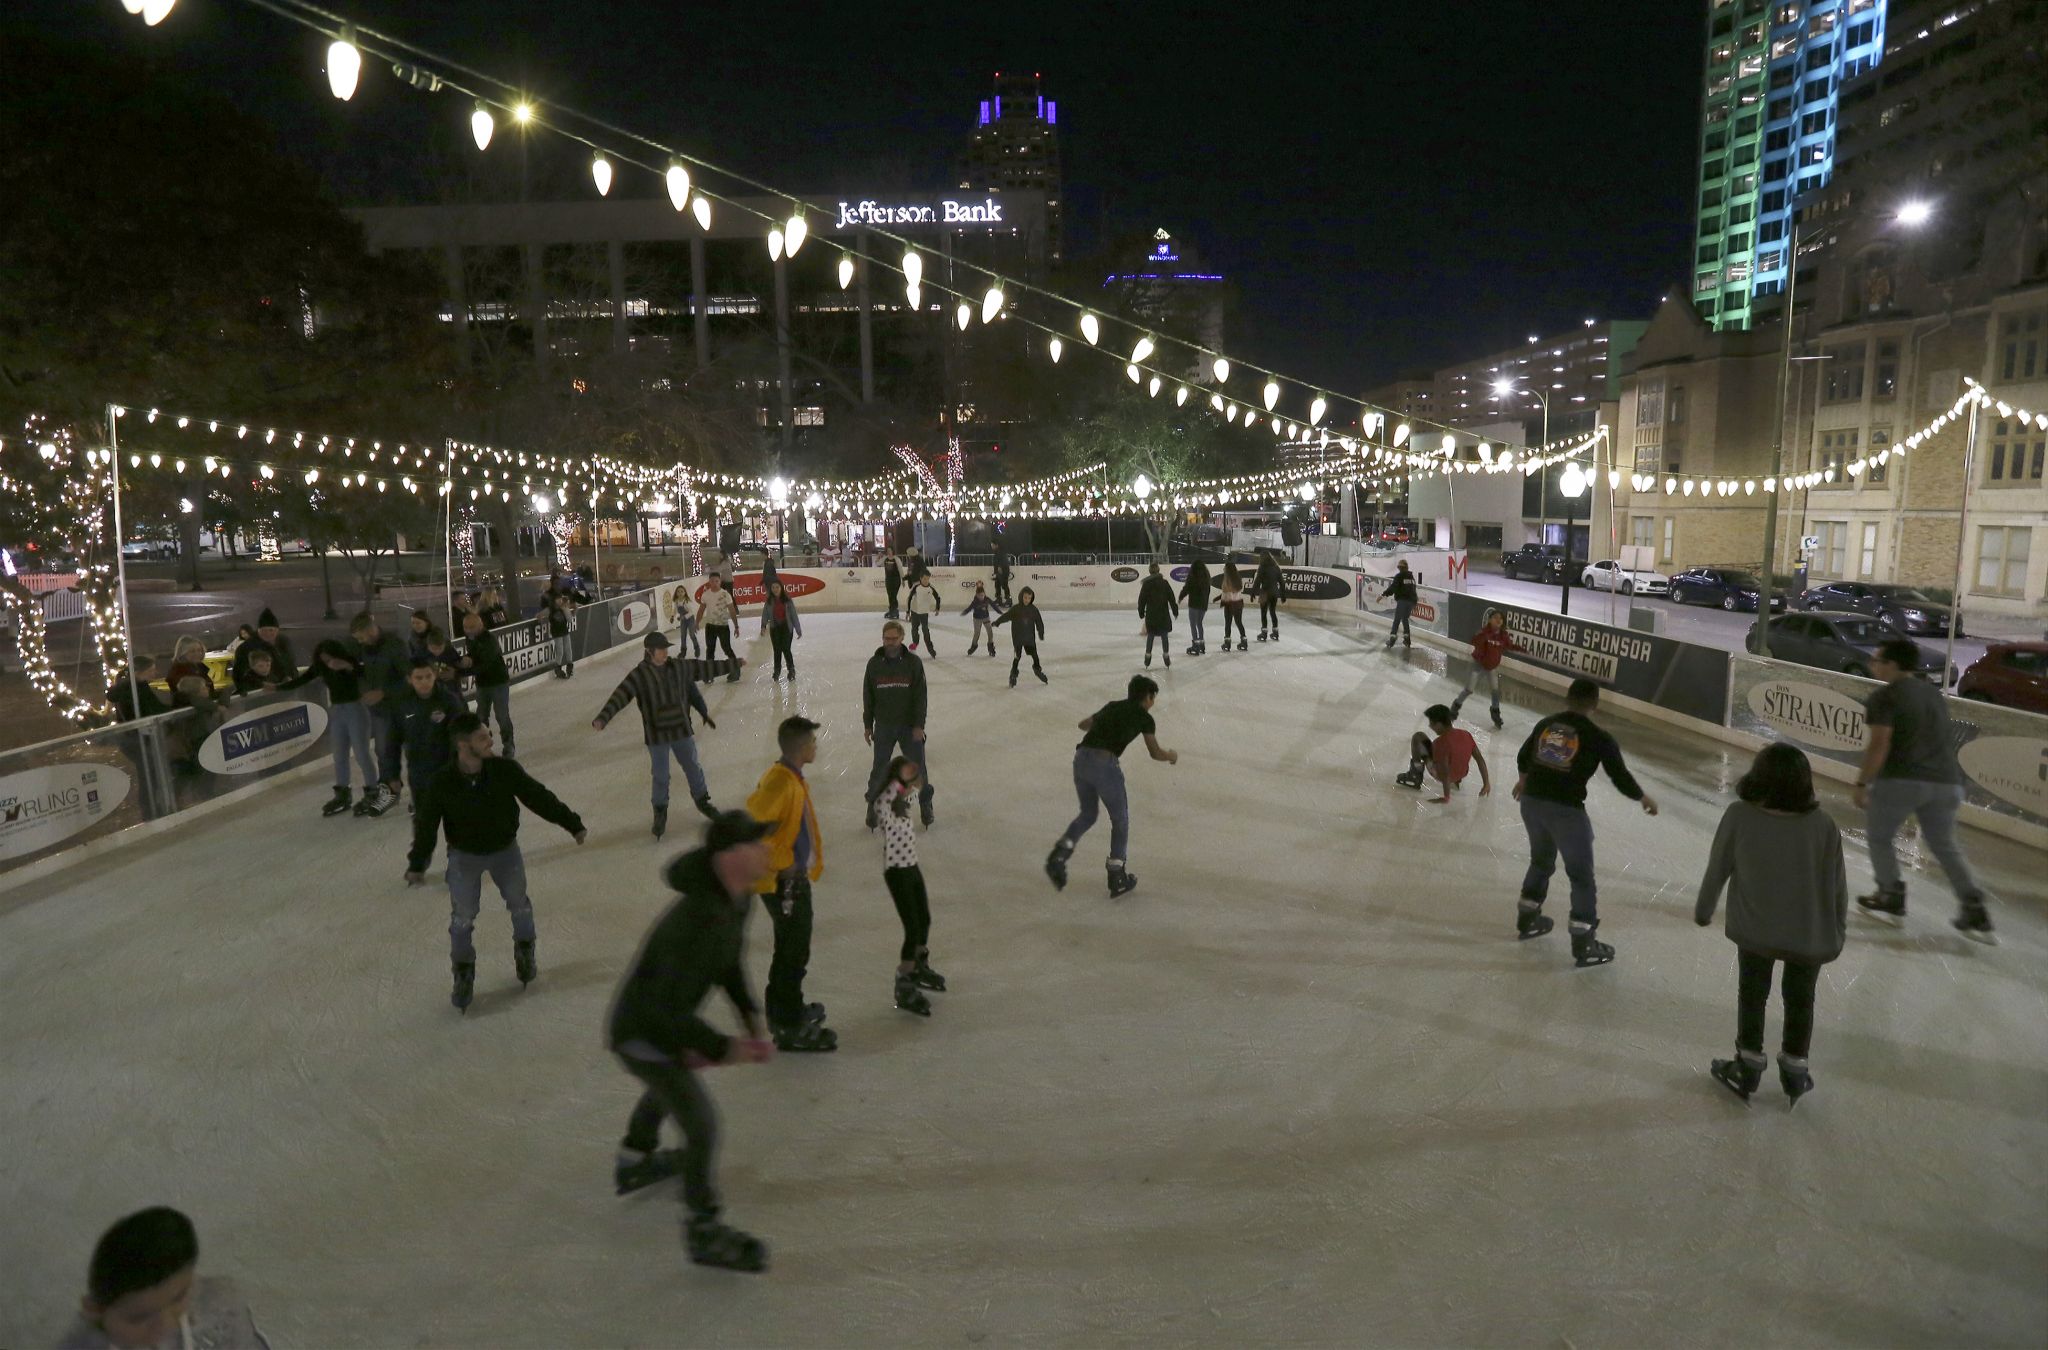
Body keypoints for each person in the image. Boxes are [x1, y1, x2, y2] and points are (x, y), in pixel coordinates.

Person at [606, 810, 777, 1272]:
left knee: (671, 1083)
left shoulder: (738, 900)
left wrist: (748, 1015)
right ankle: (703, 1229)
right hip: (640, 1031)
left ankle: (634, 1159)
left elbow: (728, 961)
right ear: (729, 857)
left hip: (665, 1022)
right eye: (757, 844)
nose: (768, 851)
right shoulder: (694, 921)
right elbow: (664, 1015)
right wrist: (724, 1047)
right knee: (701, 1125)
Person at [1695, 744, 1848, 1106]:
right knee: (1800, 1000)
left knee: (1752, 995)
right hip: (1807, 936)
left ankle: (1747, 1066)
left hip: (1755, 932)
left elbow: (1717, 867)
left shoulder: (1739, 816)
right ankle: (1795, 1072)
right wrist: (1837, 931)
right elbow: (1837, 886)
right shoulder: (1823, 825)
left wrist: (1704, 909)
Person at [406, 713, 586, 1011]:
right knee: (462, 919)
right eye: (483, 737)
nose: (491, 740)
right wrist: (417, 863)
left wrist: (571, 823)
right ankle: (463, 972)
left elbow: (537, 797)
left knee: (520, 905)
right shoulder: (442, 782)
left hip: (505, 851)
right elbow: (427, 826)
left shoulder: (504, 770)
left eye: (489, 734)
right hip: (464, 857)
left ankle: (525, 951)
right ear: (464, 745)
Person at [1853, 636, 1994, 940]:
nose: (1872, 664)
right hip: (1946, 783)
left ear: (1890, 665)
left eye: (1876, 659)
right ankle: (1973, 905)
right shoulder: (1933, 695)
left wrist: (1863, 783)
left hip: (1902, 780)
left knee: (1879, 837)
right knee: (1944, 845)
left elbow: (1879, 744)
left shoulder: (1884, 698)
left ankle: (1890, 893)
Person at [1512, 678, 1659, 967]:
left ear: (1567, 698)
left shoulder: (1547, 724)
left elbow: (1523, 755)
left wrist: (1525, 780)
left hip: (1532, 804)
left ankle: (1527, 918)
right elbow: (1619, 775)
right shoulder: (1598, 737)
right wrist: (1642, 797)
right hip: (1566, 811)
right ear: (1595, 704)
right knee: (1580, 875)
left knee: (1540, 860)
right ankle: (1584, 940)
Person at [57, 1206, 270, 1350]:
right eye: (139, 1318)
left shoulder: (221, 1308)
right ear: (94, 1311)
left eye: (179, 1298)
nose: (167, 1325)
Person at [745, 716, 836, 1052]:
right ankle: (787, 1026)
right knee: (792, 951)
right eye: (812, 741)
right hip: (785, 884)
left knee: (794, 948)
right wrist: (780, 867)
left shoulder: (789, 777)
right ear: (800, 748)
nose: (816, 746)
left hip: (791, 880)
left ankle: (788, 1010)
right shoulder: (779, 783)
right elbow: (753, 825)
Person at [593, 631, 739, 839]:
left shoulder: (678, 667)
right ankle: (660, 811)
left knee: (692, 766)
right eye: (661, 650)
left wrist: (732, 664)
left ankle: (702, 801)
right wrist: (603, 718)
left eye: (665, 649)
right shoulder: (639, 675)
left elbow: (704, 667)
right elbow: (620, 695)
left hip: (681, 729)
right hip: (657, 735)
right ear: (649, 652)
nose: (664, 653)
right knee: (661, 776)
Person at [1044, 674, 1179, 898]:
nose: (1152, 703)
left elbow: (1083, 724)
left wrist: (1105, 724)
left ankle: (1060, 854)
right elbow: (1155, 753)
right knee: (1120, 819)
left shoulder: (1113, 706)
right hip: (1104, 764)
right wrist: (1171, 755)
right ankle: (1116, 876)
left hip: (1081, 758)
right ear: (1146, 697)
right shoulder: (1144, 717)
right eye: (1152, 698)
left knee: (1087, 814)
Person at [280, 638, 380, 818]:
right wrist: (277, 688)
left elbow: (366, 673)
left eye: (329, 659)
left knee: (361, 753)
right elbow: (302, 680)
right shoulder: (321, 666)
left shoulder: (350, 662)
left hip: (355, 708)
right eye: (324, 660)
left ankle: (373, 791)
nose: (328, 663)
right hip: (337, 711)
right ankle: (342, 793)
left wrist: (348, 667)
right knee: (339, 754)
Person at [877, 754, 945, 1017]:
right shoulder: (885, 806)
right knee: (912, 928)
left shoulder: (905, 802)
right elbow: (885, 798)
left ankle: (918, 966)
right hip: (897, 872)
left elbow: (919, 789)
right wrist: (900, 779)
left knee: (924, 919)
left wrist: (918, 781)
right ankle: (903, 981)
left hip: (912, 866)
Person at [862, 620, 934, 829]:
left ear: (902, 638)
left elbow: (921, 697)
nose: (890, 643)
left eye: (894, 639)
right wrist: (868, 725)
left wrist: (919, 725)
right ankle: (872, 807)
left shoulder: (913, 663)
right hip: (883, 726)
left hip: (909, 726)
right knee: (879, 770)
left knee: (918, 770)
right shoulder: (874, 664)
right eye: (887, 639)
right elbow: (868, 696)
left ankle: (926, 804)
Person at [378, 658, 465, 816]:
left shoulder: (449, 701)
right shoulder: (402, 704)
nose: (424, 681)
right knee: (424, 819)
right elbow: (392, 742)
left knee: (455, 817)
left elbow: (463, 734)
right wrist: (392, 775)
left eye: (428, 676)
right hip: (418, 771)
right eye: (419, 678)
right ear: (409, 679)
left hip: (448, 768)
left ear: (435, 675)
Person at [351, 612, 411, 787]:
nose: (360, 642)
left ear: (370, 631)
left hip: (402, 708)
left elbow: (409, 678)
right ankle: (389, 788)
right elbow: (370, 673)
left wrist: (384, 692)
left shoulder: (395, 645)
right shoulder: (366, 649)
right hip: (380, 710)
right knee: (383, 751)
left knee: (413, 751)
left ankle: (421, 793)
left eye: (361, 638)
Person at [1396, 704, 1492, 804]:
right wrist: (1486, 783)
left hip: (1442, 774)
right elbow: (1479, 759)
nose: (1430, 726)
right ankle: (1457, 779)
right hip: (1462, 773)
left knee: (1418, 736)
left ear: (1439, 724)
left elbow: (1445, 772)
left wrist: (1446, 797)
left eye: (1432, 723)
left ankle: (1415, 774)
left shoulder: (1440, 743)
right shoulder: (1466, 734)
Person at [458, 609, 515, 758]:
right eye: (466, 628)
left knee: (502, 715)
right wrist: (466, 659)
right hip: (483, 683)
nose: (468, 631)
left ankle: (508, 745)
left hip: (498, 682)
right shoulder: (470, 638)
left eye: (471, 628)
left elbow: (485, 664)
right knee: (481, 716)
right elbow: (475, 656)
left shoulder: (490, 640)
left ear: (480, 625)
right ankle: (481, 744)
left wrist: (461, 672)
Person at [1451, 608, 1520, 730]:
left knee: (1495, 691)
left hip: (1491, 667)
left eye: (1500, 619)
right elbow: (1476, 643)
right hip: (1478, 665)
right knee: (1469, 689)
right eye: (1495, 618)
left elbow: (1506, 646)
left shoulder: (1503, 635)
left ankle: (1495, 713)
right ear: (1490, 620)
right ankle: (1455, 707)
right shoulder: (1484, 633)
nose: (1498, 620)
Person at [992, 584, 1047, 687]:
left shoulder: (1033, 609)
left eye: (1029, 598)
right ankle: (1013, 673)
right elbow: (1006, 616)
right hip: (1018, 638)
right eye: (1025, 597)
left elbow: (1039, 621)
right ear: (1021, 596)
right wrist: (997, 622)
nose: (1027, 600)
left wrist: (1041, 632)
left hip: (1029, 638)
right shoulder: (1016, 609)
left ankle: (1037, 668)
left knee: (1035, 655)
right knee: (1017, 656)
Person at [229, 607, 296, 687]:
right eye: (264, 630)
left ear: (277, 630)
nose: (268, 633)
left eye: (271, 630)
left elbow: (291, 664)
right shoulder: (245, 648)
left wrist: (290, 678)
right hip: (257, 693)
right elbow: (239, 675)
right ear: (258, 631)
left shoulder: (283, 642)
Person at [1136, 562, 1180, 669]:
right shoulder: (1164, 583)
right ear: (1158, 571)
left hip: (1151, 615)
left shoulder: (1146, 585)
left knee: (1151, 635)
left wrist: (1141, 613)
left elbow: (1141, 600)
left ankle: (1148, 655)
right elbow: (1172, 598)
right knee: (1164, 635)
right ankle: (1166, 654)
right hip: (1163, 614)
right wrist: (1175, 611)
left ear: (1150, 571)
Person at [758, 578, 803, 680]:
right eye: (773, 587)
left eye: (777, 587)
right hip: (775, 628)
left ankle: (791, 670)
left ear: (781, 588)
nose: (775, 589)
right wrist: (763, 626)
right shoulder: (769, 601)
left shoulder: (787, 600)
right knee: (777, 650)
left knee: (786, 648)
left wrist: (798, 629)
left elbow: (793, 615)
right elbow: (765, 614)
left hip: (786, 627)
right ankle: (777, 671)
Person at [696, 576, 740, 677]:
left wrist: (736, 626)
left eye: (716, 581)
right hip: (710, 626)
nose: (714, 583)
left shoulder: (725, 594)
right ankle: (709, 673)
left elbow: (732, 610)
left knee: (727, 648)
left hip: (723, 626)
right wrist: (697, 622)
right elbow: (701, 610)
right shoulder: (705, 595)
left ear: (720, 582)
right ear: (709, 582)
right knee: (710, 650)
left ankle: (736, 670)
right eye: (712, 581)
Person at [107, 654, 172, 722]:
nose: (154, 673)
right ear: (139, 673)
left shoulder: (142, 686)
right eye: (150, 671)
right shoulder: (127, 689)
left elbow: (156, 706)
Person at [164, 636, 218, 702]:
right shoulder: (177, 672)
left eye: (199, 650)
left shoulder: (200, 668)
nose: (197, 654)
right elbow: (185, 698)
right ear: (182, 653)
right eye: (192, 651)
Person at [1381, 561, 1419, 649]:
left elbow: (1393, 587)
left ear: (1400, 568)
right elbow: (1413, 590)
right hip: (1411, 602)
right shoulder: (1411, 577)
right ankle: (1407, 638)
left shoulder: (1399, 576)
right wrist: (1415, 603)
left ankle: (1392, 638)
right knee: (1405, 618)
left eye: (1399, 567)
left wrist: (1383, 594)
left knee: (1397, 619)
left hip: (1403, 600)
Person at [1179, 560, 1213, 656]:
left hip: (1194, 604)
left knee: (1193, 624)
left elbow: (1187, 588)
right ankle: (1201, 643)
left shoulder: (1192, 577)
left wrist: (1181, 597)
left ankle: (1196, 645)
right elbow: (1208, 591)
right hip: (1203, 604)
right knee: (1199, 623)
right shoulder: (1206, 578)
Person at [905, 569, 941, 655]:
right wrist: (907, 611)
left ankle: (930, 649)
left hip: (924, 613)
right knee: (914, 630)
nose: (926, 581)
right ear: (920, 578)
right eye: (924, 579)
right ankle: (914, 645)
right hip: (915, 612)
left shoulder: (931, 587)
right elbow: (909, 598)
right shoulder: (916, 586)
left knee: (925, 630)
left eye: (928, 579)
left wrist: (937, 608)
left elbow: (938, 597)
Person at [1253, 551, 1286, 642]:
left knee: (1263, 613)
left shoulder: (1262, 567)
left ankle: (1264, 633)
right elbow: (1282, 583)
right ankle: (1275, 632)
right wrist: (1283, 594)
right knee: (1272, 612)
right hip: (1274, 593)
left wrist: (1253, 592)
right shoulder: (1276, 568)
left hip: (1264, 592)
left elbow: (1257, 581)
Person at [1218, 561, 1249, 651]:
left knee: (1228, 624)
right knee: (1239, 622)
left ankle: (1227, 643)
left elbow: (1227, 595)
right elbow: (1234, 593)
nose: (1223, 569)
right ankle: (1244, 640)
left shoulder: (1227, 580)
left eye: (1225, 567)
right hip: (1238, 604)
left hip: (1229, 604)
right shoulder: (1237, 579)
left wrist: (1222, 600)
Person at [962, 580, 997, 657]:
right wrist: (965, 612)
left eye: (982, 595)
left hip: (985, 617)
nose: (981, 597)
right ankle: (974, 646)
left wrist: (999, 612)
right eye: (980, 595)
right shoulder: (975, 602)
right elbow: (969, 608)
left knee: (990, 632)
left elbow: (994, 605)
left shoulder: (987, 599)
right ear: (977, 595)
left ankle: (990, 646)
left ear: (984, 594)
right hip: (977, 619)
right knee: (977, 633)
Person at [547, 592, 576, 679]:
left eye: (560, 599)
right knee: (560, 650)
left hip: (564, 631)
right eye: (558, 599)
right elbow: (555, 619)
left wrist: (565, 609)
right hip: (557, 632)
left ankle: (569, 666)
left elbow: (570, 620)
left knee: (568, 649)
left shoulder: (563, 608)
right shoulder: (552, 609)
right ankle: (558, 668)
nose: (559, 601)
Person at [882, 550, 903, 619]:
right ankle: (891, 610)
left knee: (894, 595)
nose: (889, 552)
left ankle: (895, 610)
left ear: (893, 551)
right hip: (888, 580)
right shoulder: (885, 558)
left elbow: (900, 569)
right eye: (888, 551)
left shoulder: (896, 559)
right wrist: (878, 557)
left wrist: (902, 579)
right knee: (890, 595)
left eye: (890, 550)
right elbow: (878, 564)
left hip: (896, 579)